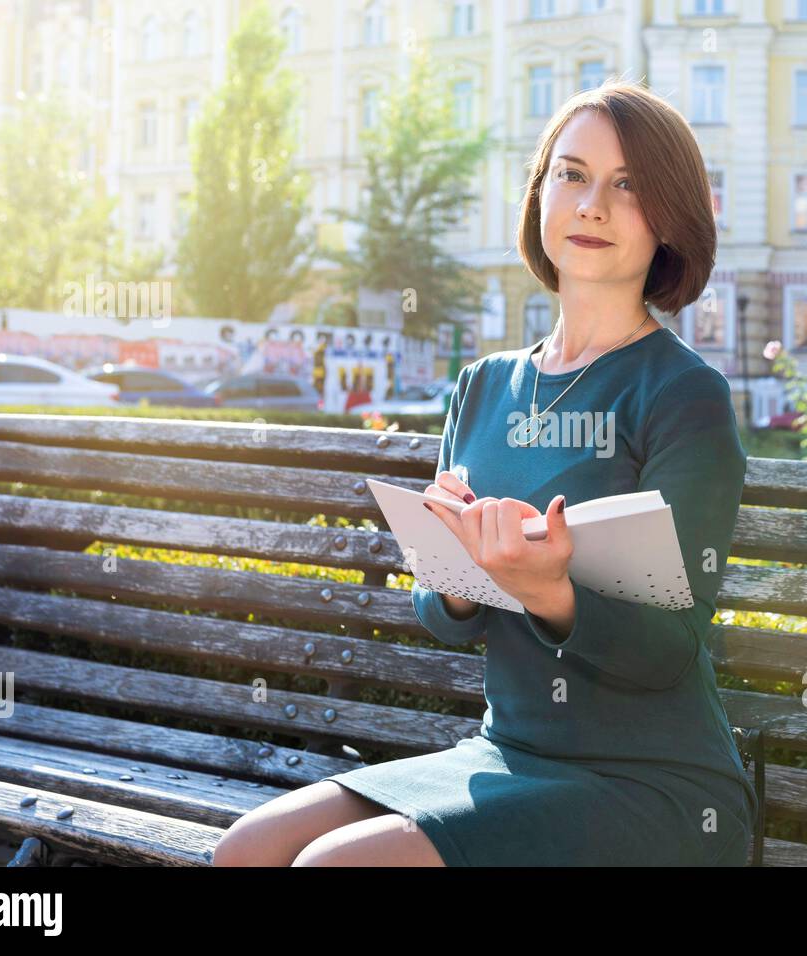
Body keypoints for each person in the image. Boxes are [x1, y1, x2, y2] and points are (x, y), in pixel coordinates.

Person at [214, 82, 756, 867]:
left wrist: (548, 590)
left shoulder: (683, 394)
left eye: (628, 184)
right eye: (571, 175)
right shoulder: (483, 386)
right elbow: (439, 612)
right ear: (540, 197)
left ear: (670, 216)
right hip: (505, 753)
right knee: (245, 851)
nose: (592, 205)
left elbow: (668, 651)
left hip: (654, 782)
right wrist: (465, 577)